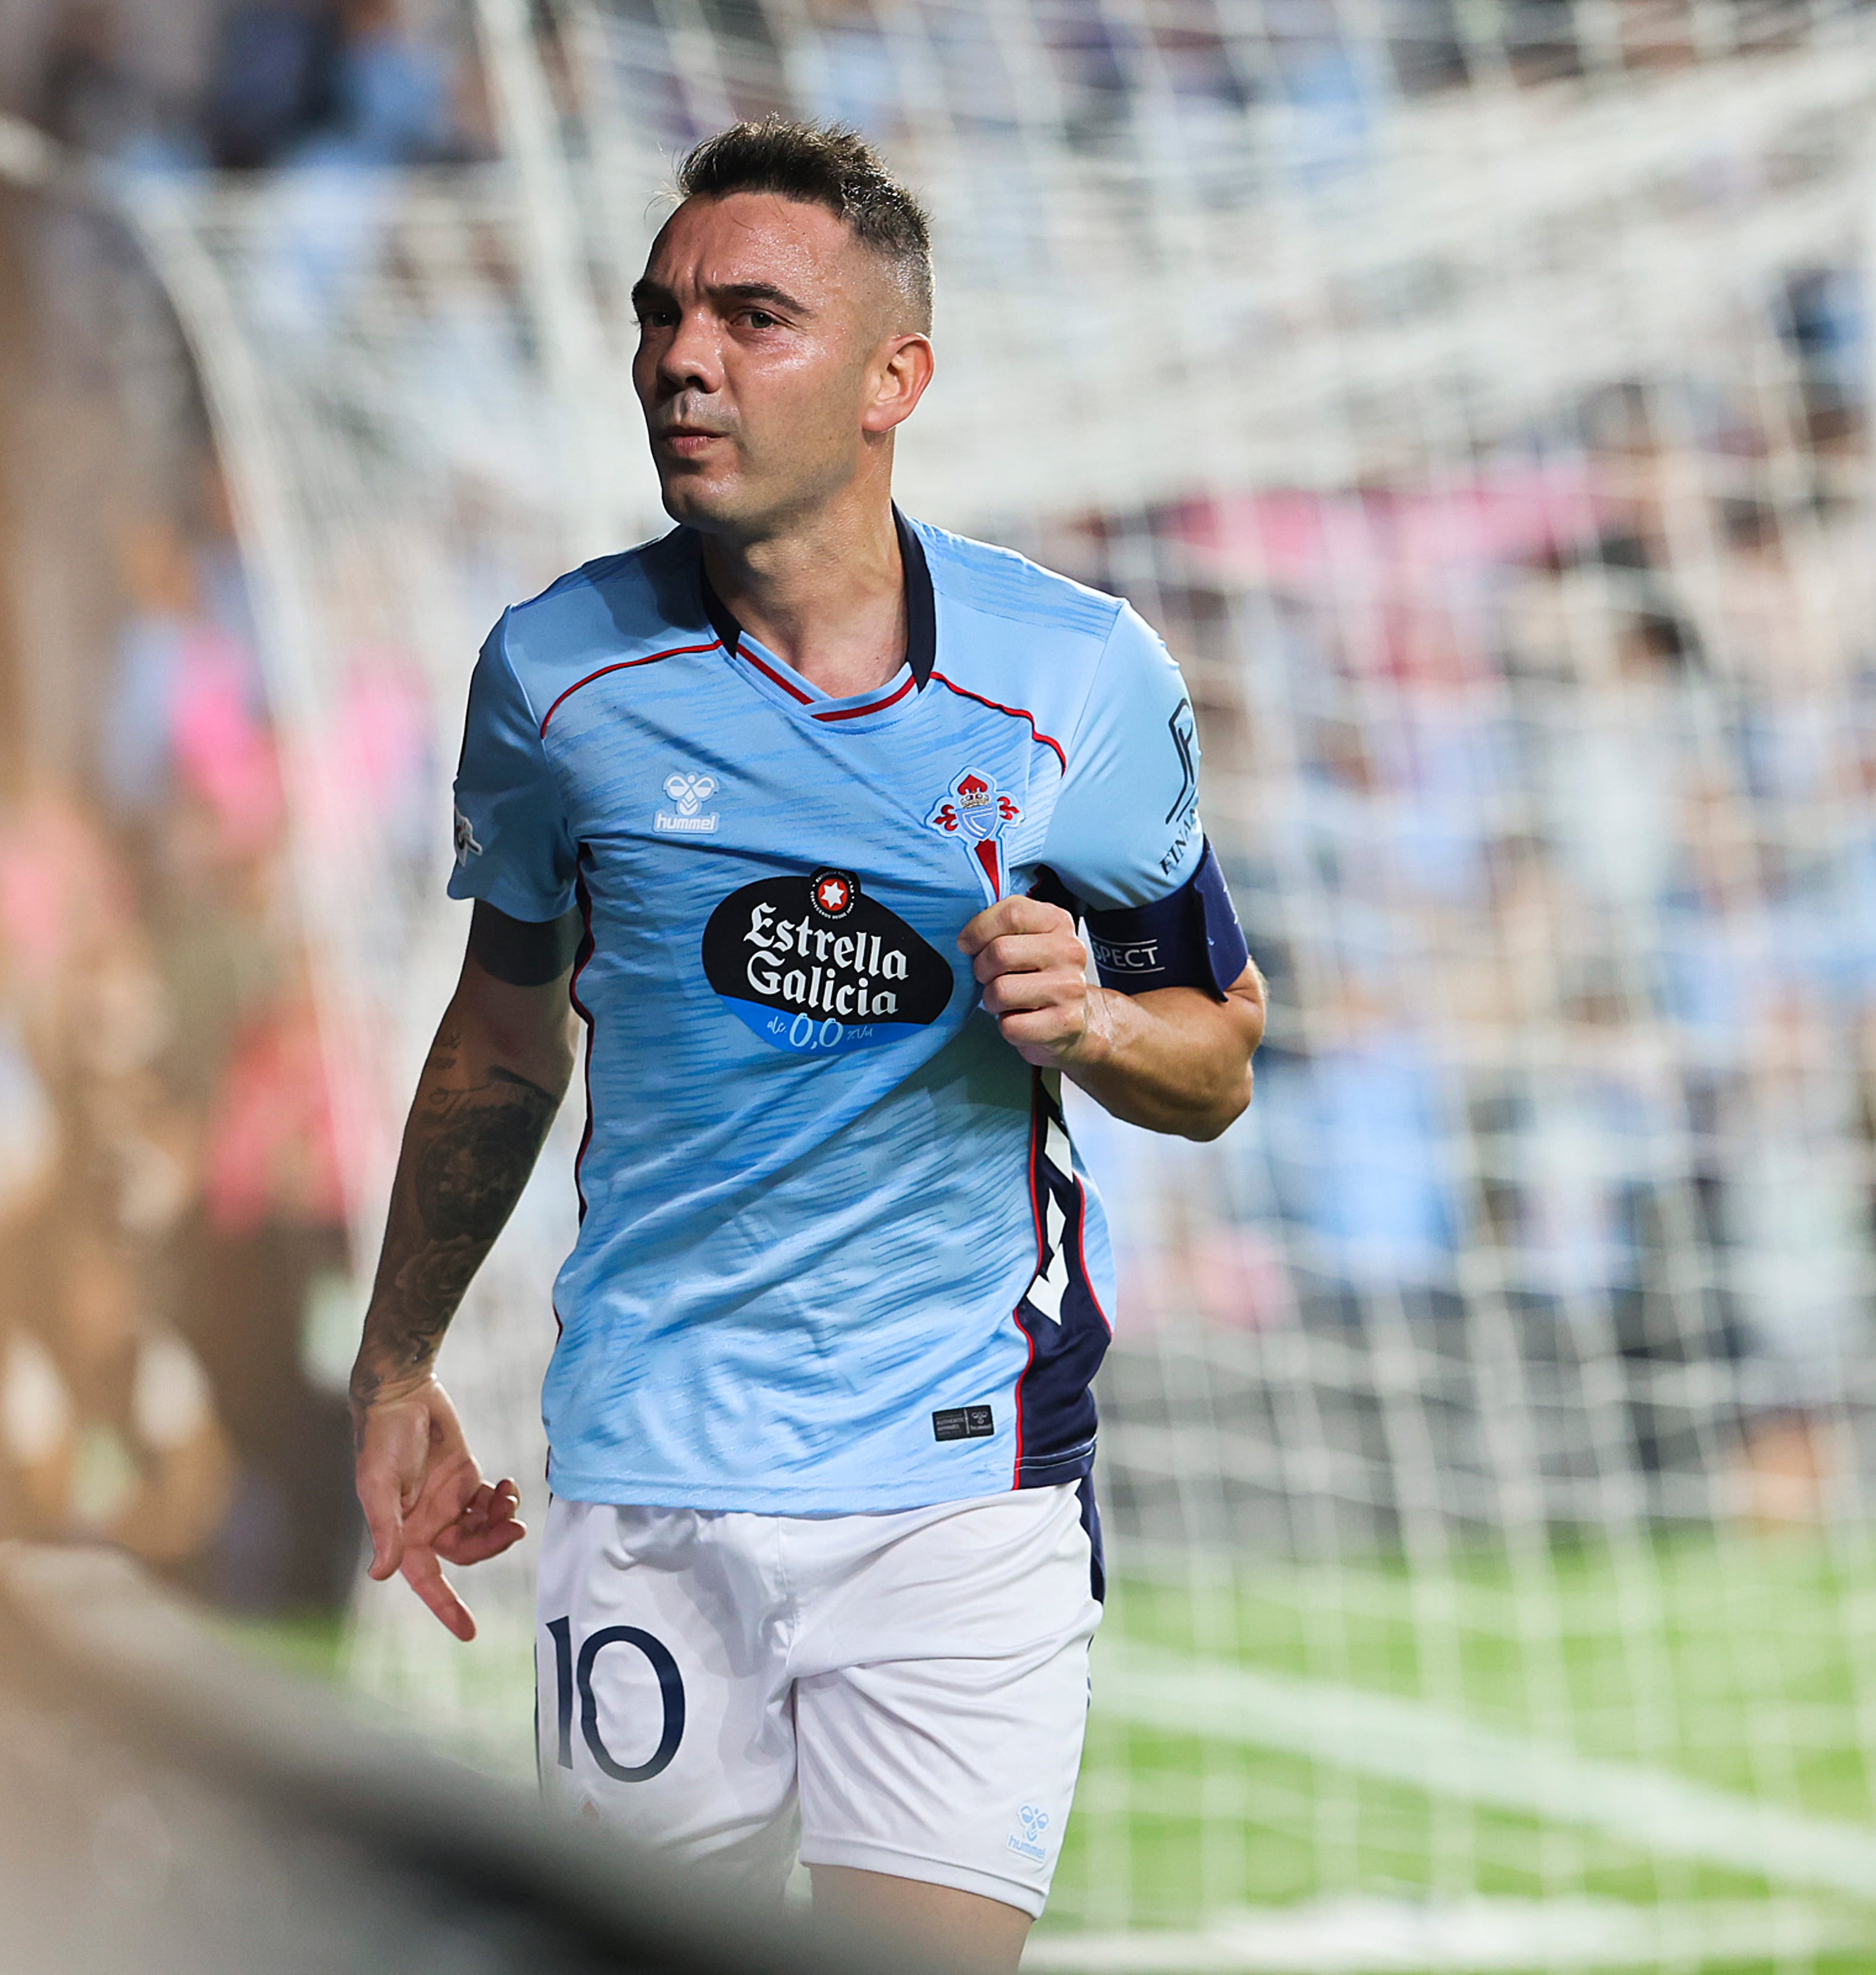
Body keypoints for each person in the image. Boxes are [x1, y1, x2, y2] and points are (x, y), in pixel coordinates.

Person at [346, 121, 1264, 1970]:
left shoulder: (1076, 677)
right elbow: (502, 1039)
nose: (684, 358)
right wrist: (396, 1365)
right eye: (663, 314)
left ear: (890, 381)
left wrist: (1087, 1017)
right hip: (650, 1477)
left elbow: (1218, 1057)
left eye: (754, 317)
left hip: (960, 1487)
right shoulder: (557, 678)